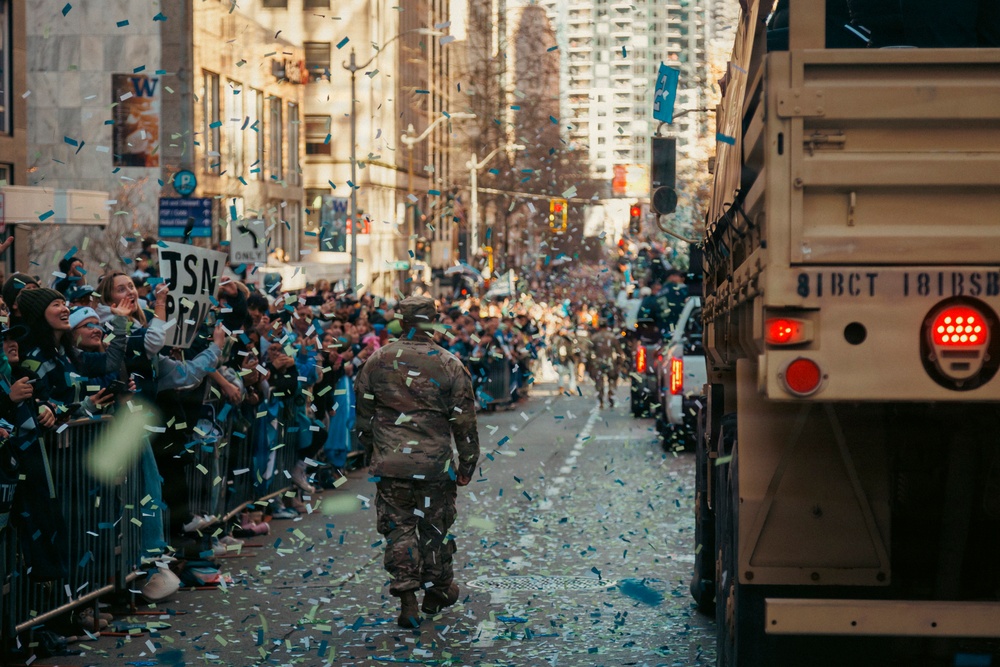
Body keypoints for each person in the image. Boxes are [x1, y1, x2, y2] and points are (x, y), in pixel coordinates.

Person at [354, 295, 480, 629]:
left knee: (400, 530)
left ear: (402, 322)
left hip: (392, 463)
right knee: (433, 529)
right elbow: (464, 422)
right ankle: (437, 590)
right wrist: (467, 464)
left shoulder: (377, 361)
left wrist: (372, 450)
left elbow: (363, 417)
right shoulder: (450, 363)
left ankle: (408, 600)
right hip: (434, 465)